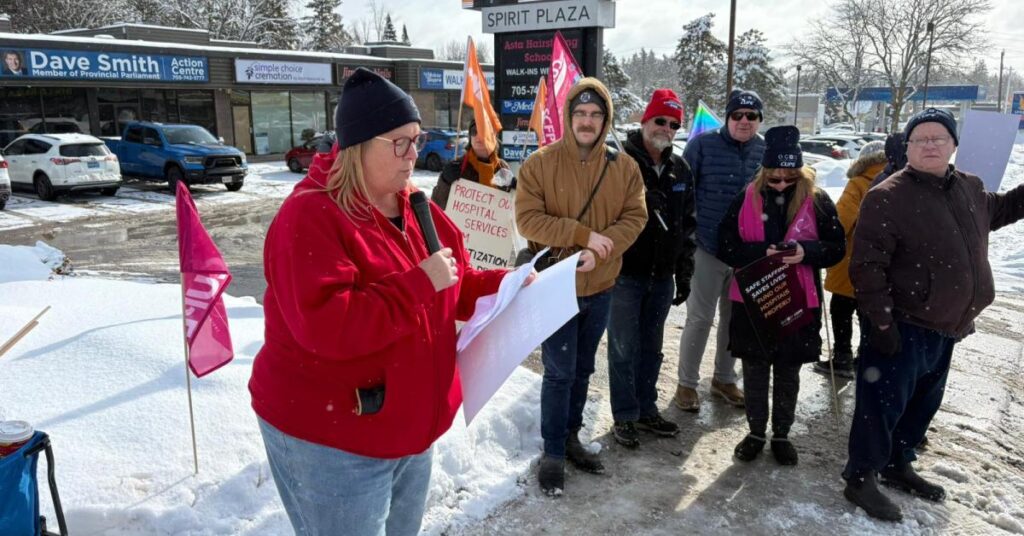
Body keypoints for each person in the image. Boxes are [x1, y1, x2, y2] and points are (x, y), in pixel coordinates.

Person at [249, 68, 527, 536]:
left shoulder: (416, 206)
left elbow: (455, 283)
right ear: (358, 146)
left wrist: (516, 283)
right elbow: (329, 327)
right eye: (401, 142)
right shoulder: (310, 215)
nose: (414, 154)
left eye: (416, 140)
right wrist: (418, 283)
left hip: (408, 429)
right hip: (333, 440)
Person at [842, 108, 1024, 522]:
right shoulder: (887, 195)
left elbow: (1002, 209)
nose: (929, 145)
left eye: (938, 138)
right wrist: (882, 323)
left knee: (924, 402)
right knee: (881, 405)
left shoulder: (970, 189)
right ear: (907, 147)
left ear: (953, 145)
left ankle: (897, 463)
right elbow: (866, 267)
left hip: (948, 325)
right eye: (920, 138)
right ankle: (861, 476)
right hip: (902, 324)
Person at [516, 78, 647, 496]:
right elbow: (528, 220)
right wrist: (583, 236)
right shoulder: (540, 162)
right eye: (580, 114)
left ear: (605, 120)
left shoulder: (624, 167)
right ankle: (553, 451)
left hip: (602, 285)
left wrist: (602, 253)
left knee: (584, 367)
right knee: (559, 371)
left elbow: (635, 216)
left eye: (595, 115)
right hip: (557, 286)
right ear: (568, 117)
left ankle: (571, 437)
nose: (587, 121)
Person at [717, 126, 845, 465]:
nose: (782, 184)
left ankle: (782, 434)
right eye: (774, 178)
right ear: (764, 173)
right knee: (755, 371)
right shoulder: (745, 197)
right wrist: (762, 251)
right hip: (754, 300)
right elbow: (724, 245)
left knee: (788, 372)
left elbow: (837, 248)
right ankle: (756, 431)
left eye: (790, 178)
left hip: (798, 301)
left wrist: (806, 251)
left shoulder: (817, 200)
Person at [607, 88, 696, 448]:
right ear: (645, 121)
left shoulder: (680, 168)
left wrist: (684, 271)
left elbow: (687, 224)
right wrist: (639, 203)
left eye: (674, 124)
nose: (667, 129)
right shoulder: (619, 161)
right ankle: (625, 415)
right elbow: (604, 215)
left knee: (652, 347)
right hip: (625, 273)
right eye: (661, 120)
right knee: (624, 347)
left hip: (661, 275)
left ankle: (646, 408)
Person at [674, 89, 767, 412]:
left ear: (758, 121)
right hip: (707, 246)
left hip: (745, 253)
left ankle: (724, 378)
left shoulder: (763, 150)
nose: (744, 121)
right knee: (700, 318)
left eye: (751, 116)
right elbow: (683, 191)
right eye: (737, 115)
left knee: (735, 320)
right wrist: (686, 236)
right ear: (727, 117)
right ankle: (686, 384)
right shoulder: (702, 145)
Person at [815, 140, 886, 379]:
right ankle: (866, 358)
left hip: (851, 264)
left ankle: (842, 357)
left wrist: (826, 239)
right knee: (868, 314)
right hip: (881, 266)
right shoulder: (898, 182)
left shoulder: (858, 184)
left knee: (841, 310)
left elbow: (842, 221)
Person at [430, 120, 514, 209]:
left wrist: (514, 189)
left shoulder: (502, 167)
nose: (478, 135)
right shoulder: (457, 165)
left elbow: (512, 211)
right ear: (470, 137)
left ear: (494, 137)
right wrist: (445, 182)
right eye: (474, 131)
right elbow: (436, 208)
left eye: (483, 131)